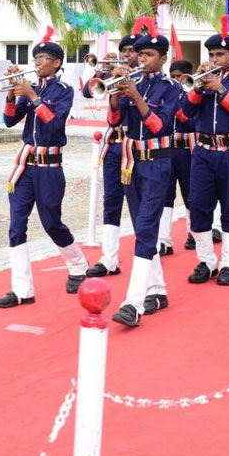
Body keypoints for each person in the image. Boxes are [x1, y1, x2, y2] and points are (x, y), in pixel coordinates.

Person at [0, 27, 90, 308]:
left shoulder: (64, 91)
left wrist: (33, 98)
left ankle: (78, 265)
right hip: (25, 167)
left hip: (50, 167)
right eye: (35, 59)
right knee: (16, 226)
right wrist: (11, 93)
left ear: (56, 63)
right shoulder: (31, 89)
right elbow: (9, 121)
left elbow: (55, 123)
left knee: (51, 223)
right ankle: (22, 289)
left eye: (42, 59)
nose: (37, 63)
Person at [106, 20, 182, 327]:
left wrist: (136, 96)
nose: (142, 59)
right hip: (131, 162)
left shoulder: (171, 88)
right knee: (142, 229)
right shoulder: (132, 79)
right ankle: (157, 291)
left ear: (163, 58)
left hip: (156, 162)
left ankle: (133, 302)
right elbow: (114, 121)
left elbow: (158, 126)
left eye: (149, 55)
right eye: (140, 54)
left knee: (148, 226)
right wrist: (115, 92)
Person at [181, 16, 229, 287]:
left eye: (220, 55)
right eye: (211, 55)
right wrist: (198, 89)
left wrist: (221, 90)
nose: (214, 59)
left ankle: (228, 264)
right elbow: (184, 113)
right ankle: (206, 261)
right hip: (203, 151)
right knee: (198, 206)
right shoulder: (200, 81)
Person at [84, 34, 141, 279]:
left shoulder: (145, 79)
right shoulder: (113, 74)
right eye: (123, 50)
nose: (126, 54)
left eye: (132, 50)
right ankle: (109, 259)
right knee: (111, 202)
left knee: (138, 203)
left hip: (136, 148)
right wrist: (102, 70)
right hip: (115, 146)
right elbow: (88, 91)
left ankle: (146, 255)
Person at [158, 59, 195, 256]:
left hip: (188, 149)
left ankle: (193, 232)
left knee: (190, 193)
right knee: (166, 194)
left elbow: (194, 125)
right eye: (172, 76)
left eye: (179, 76)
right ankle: (164, 240)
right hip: (168, 148)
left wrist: (179, 113)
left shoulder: (194, 96)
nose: (176, 80)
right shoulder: (167, 94)